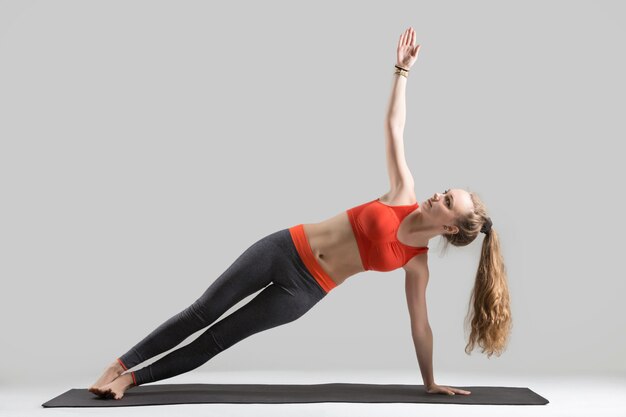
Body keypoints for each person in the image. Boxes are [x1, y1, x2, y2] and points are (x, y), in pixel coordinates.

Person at [89, 27, 511, 400]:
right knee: (202, 312)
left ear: (451, 226)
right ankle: (118, 365)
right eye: (445, 192)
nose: (438, 196)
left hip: (305, 292)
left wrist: (430, 381)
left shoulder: (417, 265)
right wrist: (402, 73)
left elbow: (421, 327)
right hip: (284, 249)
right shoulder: (404, 190)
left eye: (448, 201)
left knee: (217, 340)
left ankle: (132, 380)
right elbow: (393, 127)